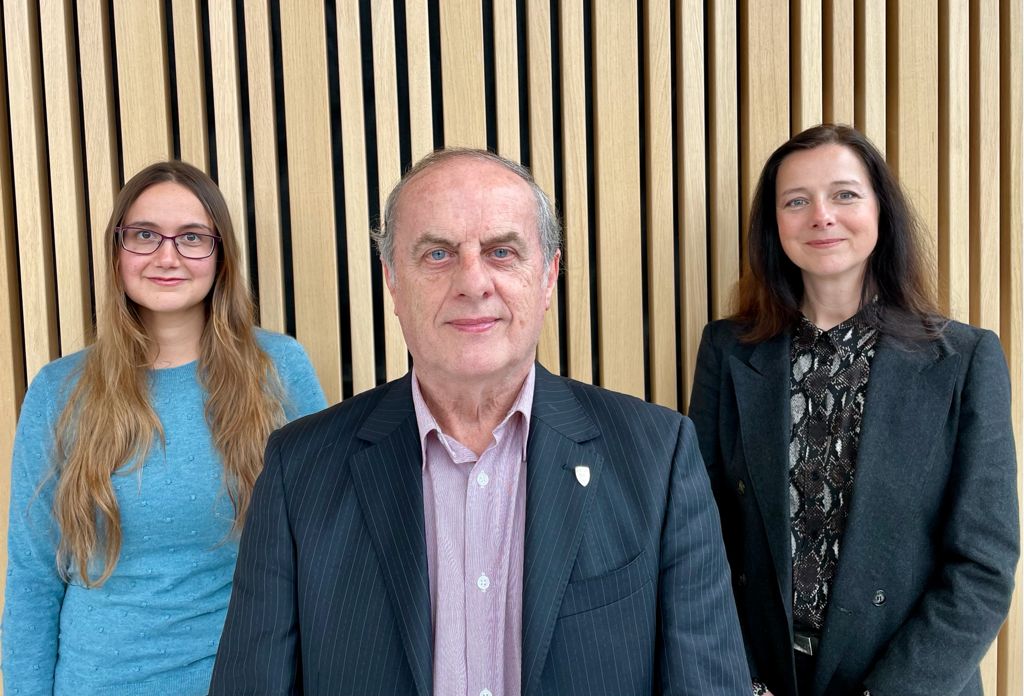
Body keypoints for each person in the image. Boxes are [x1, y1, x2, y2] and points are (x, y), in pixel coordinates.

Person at [210, 148, 750, 695]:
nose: (473, 282)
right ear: (392, 281)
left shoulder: (657, 456)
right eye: (439, 254)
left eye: (501, 251)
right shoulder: (298, 469)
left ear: (548, 276)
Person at [688, 123, 1019, 696]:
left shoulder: (963, 360)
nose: (822, 215)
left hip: (910, 682)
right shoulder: (727, 351)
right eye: (797, 201)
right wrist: (744, 679)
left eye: (844, 194)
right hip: (763, 681)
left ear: (880, 212)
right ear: (775, 227)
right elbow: (701, 537)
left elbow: (983, 565)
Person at [2, 161, 327, 694]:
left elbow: (321, 552)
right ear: (117, 252)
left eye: (193, 237)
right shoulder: (59, 391)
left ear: (221, 256)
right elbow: (33, 580)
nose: (167, 256)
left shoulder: (278, 369)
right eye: (145, 235)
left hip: (245, 681)